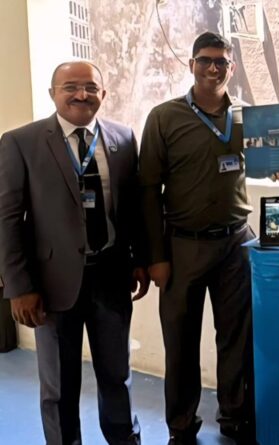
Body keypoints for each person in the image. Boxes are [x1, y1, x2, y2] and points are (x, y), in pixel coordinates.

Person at [139, 32, 279, 445]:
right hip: (182, 247)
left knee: (237, 338)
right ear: (191, 65)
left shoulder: (247, 118)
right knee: (181, 342)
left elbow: (259, 162)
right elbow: (147, 190)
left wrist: (277, 168)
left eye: (221, 61)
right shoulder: (164, 117)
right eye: (205, 60)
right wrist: (155, 256)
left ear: (231, 68)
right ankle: (181, 425)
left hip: (236, 244)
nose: (213, 68)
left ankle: (235, 417)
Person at [0, 61, 149, 445]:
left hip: (111, 276)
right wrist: (19, 287)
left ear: (103, 94)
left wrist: (139, 260)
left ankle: (124, 439)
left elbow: (132, 208)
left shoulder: (122, 138)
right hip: (51, 284)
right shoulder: (21, 142)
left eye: (90, 87)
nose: (81, 94)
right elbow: (7, 219)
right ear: (52, 93)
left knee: (117, 375)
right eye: (70, 87)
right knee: (59, 385)